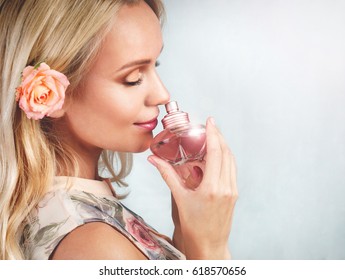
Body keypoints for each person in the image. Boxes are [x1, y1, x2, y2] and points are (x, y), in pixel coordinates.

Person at [0, 0, 238, 260]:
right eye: (133, 78)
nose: (162, 94)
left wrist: (186, 232)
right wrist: (210, 248)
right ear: (53, 94)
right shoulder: (95, 247)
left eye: (154, 66)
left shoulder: (74, 213)